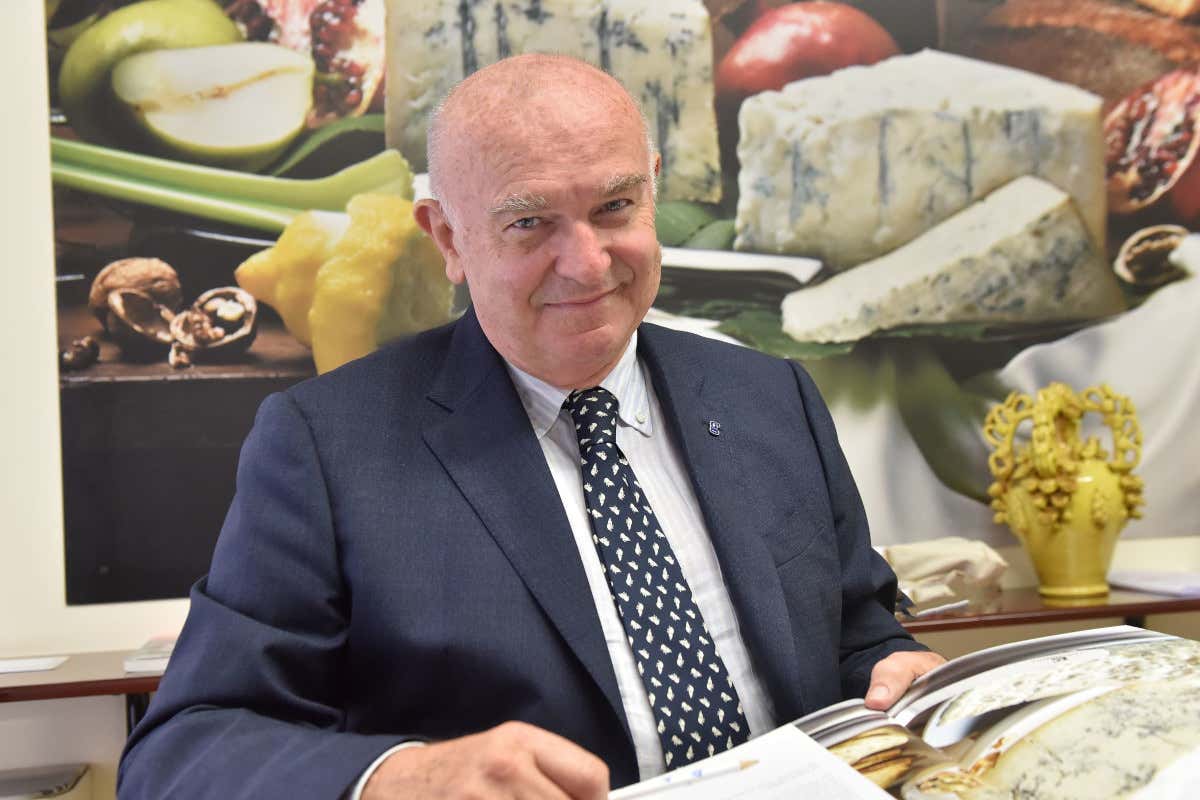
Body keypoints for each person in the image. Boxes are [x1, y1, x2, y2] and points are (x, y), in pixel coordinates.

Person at [118, 54, 943, 799]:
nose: (587, 263)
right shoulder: (325, 446)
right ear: (447, 237)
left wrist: (897, 673)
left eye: (614, 206)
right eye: (529, 222)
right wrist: (402, 776)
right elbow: (182, 752)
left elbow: (856, 634)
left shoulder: (772, 395)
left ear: (652, 190)